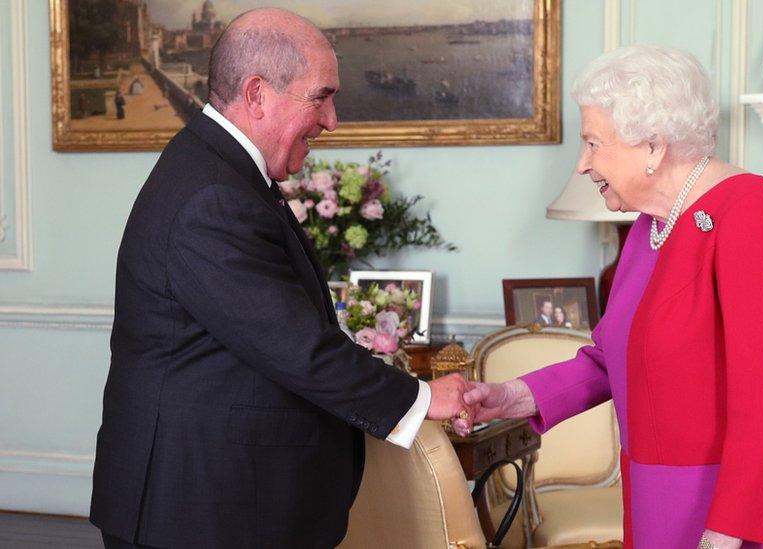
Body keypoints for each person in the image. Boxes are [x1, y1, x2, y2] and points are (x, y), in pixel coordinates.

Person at [89, 8, 475, 549]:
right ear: (257, 94)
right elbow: (299, 348)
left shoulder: (220, 171)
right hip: (196, 510)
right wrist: (419, 398)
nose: (332, 120)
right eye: (321, 96)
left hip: (216, 502)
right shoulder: (213, 196)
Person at [464, 44, 763, 549]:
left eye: (593, 143)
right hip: (662, 495)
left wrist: (728, 533)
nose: (582, 165)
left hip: (735, 509)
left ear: (653, 147)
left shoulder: (753, 213)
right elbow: (610, 360)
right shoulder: (649, 229)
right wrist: (511, 397)